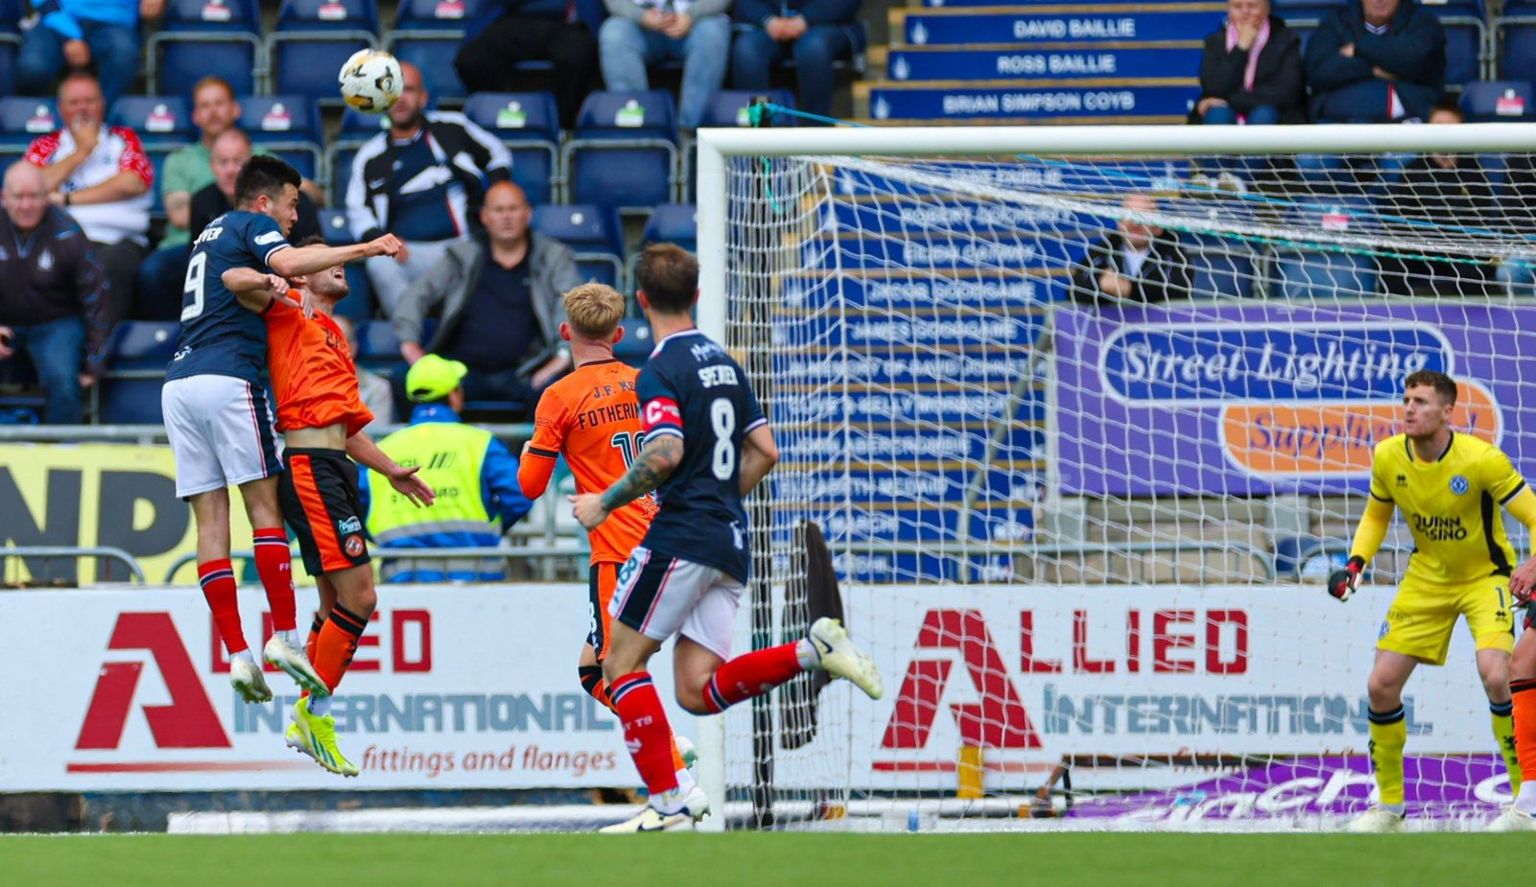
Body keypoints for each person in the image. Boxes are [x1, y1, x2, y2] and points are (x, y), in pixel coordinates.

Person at [570, 244, 882, 831]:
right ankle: (812, 651)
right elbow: (766, 451)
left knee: (618, 662)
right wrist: (720, 498)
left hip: (681, 534)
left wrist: (603, 502)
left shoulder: (661, 368)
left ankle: (667, 800)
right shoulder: (726, 364)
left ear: (640, 301)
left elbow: (664, 451)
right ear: (696, 295)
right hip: (729, 541)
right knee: (696, 691)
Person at [160, 155, 403, 706]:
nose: (294, 216)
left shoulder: (208, 234)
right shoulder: (252, 225)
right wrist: (365, 247)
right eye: (293, 205)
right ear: (266, 201)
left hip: (177, 382)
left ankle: (238, 654)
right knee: (264, 510)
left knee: (210, 526)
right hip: (227, 378)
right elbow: (282, 262)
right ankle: (288, 638)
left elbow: (233, 278)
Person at [222, 242, 434, 777]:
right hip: (310, 466)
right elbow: (231, 279)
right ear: (302, 272)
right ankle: (314, 715)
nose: (335, 264)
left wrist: (389, 470)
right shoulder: (289, 307)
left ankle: (308, 712)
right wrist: (271, 281)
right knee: (362, 595)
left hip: (335, 463)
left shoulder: (336, 334)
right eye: (321, 258)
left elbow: (348, 427)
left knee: (333, 604)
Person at [1327, 370, 1532, 832]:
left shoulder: (1482, 460)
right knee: (1381, 685)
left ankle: (1524, 802)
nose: (1409, 409)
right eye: (1406, 400)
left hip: (1486, 576)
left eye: (1420, 401)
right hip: (1427, 578)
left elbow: (1534, 516)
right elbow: (1376, 516)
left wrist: (1534, 565)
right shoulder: (1387, 456)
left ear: (1447, 411)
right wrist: (1356, 563)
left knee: (1497, 674)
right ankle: (1390, 807)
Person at [519, 282, 694, 801]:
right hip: (670, 543)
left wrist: (542, 436)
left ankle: (674, 778)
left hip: (616, 552)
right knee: (594, 668)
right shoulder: (649, 382)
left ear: (565, 332)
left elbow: (530, 485)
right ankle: (675, 759)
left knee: (613, 669)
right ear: (618, 334)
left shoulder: (559, 396)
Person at [393, 181, 580, 412]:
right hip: (460, 372)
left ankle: (535, 450)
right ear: (484, 216)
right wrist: (410, 345)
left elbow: (571, 306)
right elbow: (416, 295)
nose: (506, 217)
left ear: (528, 213)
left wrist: (560, 358)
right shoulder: (463, 256)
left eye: (513, 209)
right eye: (499, 210)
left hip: (528, 372)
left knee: (562, 389)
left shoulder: (553, 257)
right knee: (403, 379)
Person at [346, 62, 513, 317]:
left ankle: (452, 336)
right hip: (409, 254)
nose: (400, 99)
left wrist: (498, 188)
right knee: (379, 263)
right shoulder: (370, 155)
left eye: (408, 90)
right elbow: (356, 209)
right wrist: (383, 239)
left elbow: (498, 153)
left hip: (462, 246)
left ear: (423, 98)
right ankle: (413, 339)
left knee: (486, 256)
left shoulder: (453, 127)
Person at [359, 353, 532, 582]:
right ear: (454, 395)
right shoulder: (479, 442)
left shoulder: (381, 451)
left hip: (404, 575)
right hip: (478, 574)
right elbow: (522, 493)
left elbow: (354, 504)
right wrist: (492, 528)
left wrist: (385, 538)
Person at [23, 71, 152, 324]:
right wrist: (83, 151)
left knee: (109, 266)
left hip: (118, 241)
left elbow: (132, 182)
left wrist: (65, 199)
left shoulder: (124, 139)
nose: (83, 108)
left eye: (89, 100)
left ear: (102, 104)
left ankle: (97, 355)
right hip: (57, 242)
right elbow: (30, 188)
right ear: (61, 109)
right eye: (74, 102)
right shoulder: (44, 146)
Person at [0, 162, 108, 424]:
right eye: (19, 197)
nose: (26, 205)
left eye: (34, 196)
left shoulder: (67, 231)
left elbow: (97, 297)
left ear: (47, 196)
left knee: (62, 376)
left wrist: (94, 363)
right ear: (4, 197)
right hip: (4, 324)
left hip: (56, 323)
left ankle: (65, 450)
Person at [136, 77, 245, 320]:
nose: (213, 112)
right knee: (152, 272)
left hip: (244, 244)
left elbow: (298, 193)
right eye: (205, 106)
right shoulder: (180, 159)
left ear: (235, 109)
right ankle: (173, 342)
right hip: (188, 246)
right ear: (195, 116)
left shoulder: (259, 156)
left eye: (219, 103)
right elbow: (180, 216)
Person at [1379, 102, 1500, 298]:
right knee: (1391, 260)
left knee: (1475, 268)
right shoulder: (1412, 171)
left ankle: (1474, 322)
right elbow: (1398, 220)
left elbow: (1480, 220)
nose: (1443, 133)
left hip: (1460, 250)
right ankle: (1395, 319)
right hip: (1421, 249)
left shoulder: (1474, 173)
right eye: (1438, 127)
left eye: (1449, 128)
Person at [455, 0, 600, 130]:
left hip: (566, 25)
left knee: (579, 56)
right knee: (472, 59)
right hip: (512, 20)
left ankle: (559, 127)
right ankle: (501, 112)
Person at [1304, 0, 1445, 124]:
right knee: (1310, 154)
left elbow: (1415, 61)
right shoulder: (1335, 23)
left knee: (1405, 154)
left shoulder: (1422, 22)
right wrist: (1375, 69)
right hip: (1336, 124)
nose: (1379, 0)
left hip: (1402, 127)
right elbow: (1318, 71)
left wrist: (1360, 47)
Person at [599, 0, 731, 131]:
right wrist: (641, 16)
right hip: (642, 26)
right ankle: (636, 130)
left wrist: (691, 15)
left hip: (695, 25)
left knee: (713, 32)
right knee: (614, 33)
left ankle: (692, 132)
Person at [730, 0, 864, 120]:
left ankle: (817, 130)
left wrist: (805, 19)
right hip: (767, 26)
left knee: (813, 48)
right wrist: (768, 20)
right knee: (747, 50)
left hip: (826, 23)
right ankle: (758, 127)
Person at [16, 0, 162, 107]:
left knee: (123, 55)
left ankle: (98, 127)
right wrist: (69, 35)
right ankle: (41, 127)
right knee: (33, 66)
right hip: (57, 18)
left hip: (114, 20)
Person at [190, 129, 323, 246]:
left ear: (251, 164)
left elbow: (316, 254)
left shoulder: (294, 202)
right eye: (223, 162)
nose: (230, 170)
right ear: (212, 166)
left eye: (237, 161)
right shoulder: (201, 202)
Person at [1194, 0, 1304, 126]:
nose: (1245, 12)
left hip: (1274, 113)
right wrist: (1241, 47)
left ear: (1267, 8)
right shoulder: (1214, 42)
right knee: (1218, 115)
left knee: (1263, 115)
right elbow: (1214, 88)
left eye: (1252, 6)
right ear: (1228, 9)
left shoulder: (1286, 40)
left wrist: (1229, 100)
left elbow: (1285, 93)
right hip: (1225, 113)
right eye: (1237, 6)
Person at [1070, 194, 1192, 305]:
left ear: (1158, 227)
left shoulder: (1176, 257)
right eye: (1129, 215)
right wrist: (1101, 284)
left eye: (1143, 215)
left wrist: (1129, 289)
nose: (1135, 223)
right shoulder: (1102, 253)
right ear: (1119, 223)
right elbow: (1073, 289)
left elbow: (1178, 292)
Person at [333, 315, 395, 434]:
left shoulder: (378, 388)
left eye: (337, 341)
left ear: (352, 348)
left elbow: (375, 438)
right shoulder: (299, 385)